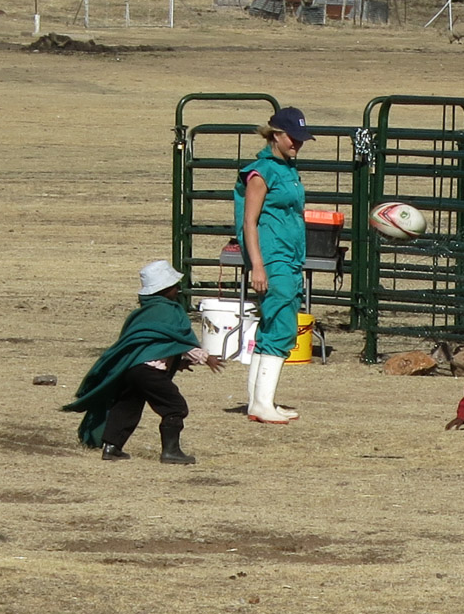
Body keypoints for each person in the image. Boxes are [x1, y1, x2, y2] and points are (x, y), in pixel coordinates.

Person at [63, 260, 224, 464]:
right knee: (175, 406)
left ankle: (111, 448)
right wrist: (205, 357)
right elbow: (177, 340)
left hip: (132, 369)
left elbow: (148, 345)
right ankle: (171, 452)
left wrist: (177, 363)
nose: (177, 290)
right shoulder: (169, 311)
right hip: (149, 373)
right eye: (174, 286)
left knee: (127, 407)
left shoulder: (142, 314)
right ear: (165, 290)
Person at [234, 106, 314, 424]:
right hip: (273, 258)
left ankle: (259, 401)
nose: (297, 143)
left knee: (271, 327)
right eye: (292, 137)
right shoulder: (260, 173)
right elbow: (249, 223)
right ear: (275, 135)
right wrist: (257, 265)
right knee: (281, 327)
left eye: (301, 139)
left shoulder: (289, 170)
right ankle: (262, 404)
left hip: (290, 257)